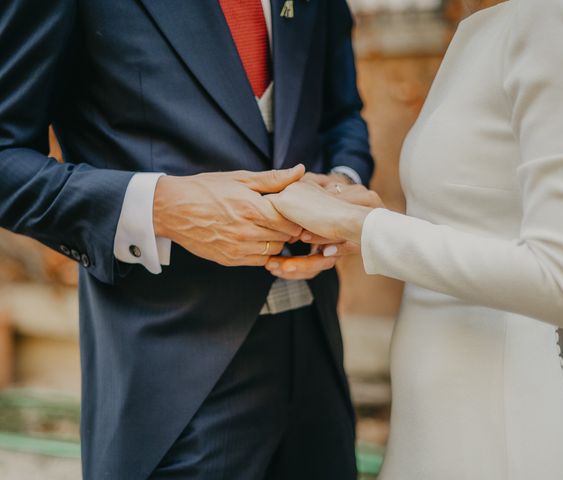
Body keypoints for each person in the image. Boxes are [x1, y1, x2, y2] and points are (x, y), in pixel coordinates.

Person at [0, 0, 373, 478]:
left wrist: (342, 191)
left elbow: (342, 114)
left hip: (318, 372)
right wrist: (163, 208)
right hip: (172, 387)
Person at [269, 0, 563, 477]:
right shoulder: (483, 21)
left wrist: (366, 230)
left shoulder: (559, 15)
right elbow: (477, 219)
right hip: (433, 426)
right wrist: (357, 215)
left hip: (494, 433)